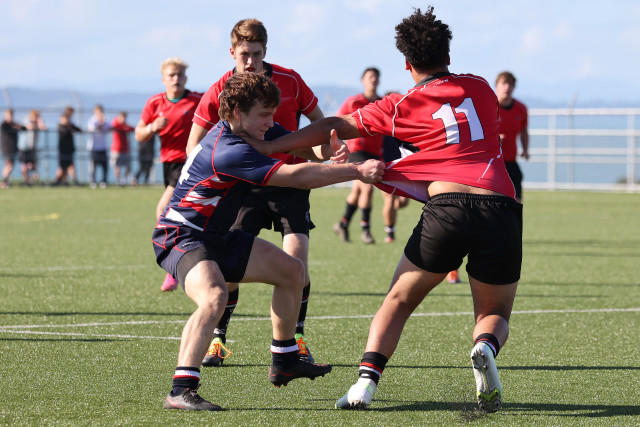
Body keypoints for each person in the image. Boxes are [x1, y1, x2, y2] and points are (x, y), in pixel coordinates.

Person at [249, 6, 522, 413]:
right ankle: (484, 347)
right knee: (494, 312)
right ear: (448, 55)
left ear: (406, 63)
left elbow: (332, 126)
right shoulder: (481, 87)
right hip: (500, 205)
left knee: (398, 301)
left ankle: (364, 383)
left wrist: (272, 145)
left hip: (447, 207)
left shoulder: (399, 104)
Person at [154, 72, 384, 411]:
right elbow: (295, 175)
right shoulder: (227, 149)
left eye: (273, 114)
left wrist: (328, 152)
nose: (271, 122)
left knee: (292, 272)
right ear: (237, 112)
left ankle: (285, 359)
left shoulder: (253, 130)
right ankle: (181, 389)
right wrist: (355, 170)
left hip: (217, 236)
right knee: (214, 295)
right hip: (181, 235)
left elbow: (299, 147)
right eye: (264, 115)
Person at [186, 18, 325, 367]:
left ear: (266, 52)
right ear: (232, 52)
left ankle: (295, 341)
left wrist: (326, 152)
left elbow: (319, 124)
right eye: (244, 54)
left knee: (297, 263)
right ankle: (218, 339)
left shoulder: (291, 81)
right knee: (227, 269)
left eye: (257, 54)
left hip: (289, 181)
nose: (250, 61)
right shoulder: (222, 88)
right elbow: (194, 144)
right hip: (244, 187)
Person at [135, 57, 202, 291]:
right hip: (168, 164)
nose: (176, 79)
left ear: (186, 78)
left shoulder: (197, 100)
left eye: (180, 75)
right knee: (183, 214)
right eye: (171, 75)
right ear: (163, 79)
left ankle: (171, 266)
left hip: (190, 162)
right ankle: (186, 260)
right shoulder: (155, 102)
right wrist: (152, 127)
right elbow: (139, 134)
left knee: (163, 209)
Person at [332, 67, 384, 245]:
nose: (373, 79)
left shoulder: (382, 102)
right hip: (357, 150)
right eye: (370, 77)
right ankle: (366, 230)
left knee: (357, 191)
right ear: (363, 80)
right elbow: (337, 121)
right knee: (367, 188)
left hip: (375, 151)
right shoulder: (353, 101)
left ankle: (343, 224)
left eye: (376, 77)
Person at [495, 71, 529, 203]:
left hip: (511, 161)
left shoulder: (521, 108)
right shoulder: (489, 106)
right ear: (497, 86)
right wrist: (495, 138)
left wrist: (525, 149)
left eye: (510, 84)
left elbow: (524, 131)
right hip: (493, 163)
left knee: (516, 202)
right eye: (504, 83)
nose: (507, 87)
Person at [380, 134, 410, 243]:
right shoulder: (383, 131)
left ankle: (391, 213)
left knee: (404, 201)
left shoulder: (401, 129)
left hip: (402, 166)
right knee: (389, 200)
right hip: (387, 166)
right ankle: (390, 233)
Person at [54, 106, 82, 186]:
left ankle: (67, 181)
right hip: (63, 149)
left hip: (70, 149)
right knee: (63, 167)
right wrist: (69, 127)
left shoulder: (70, 125)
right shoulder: (60, 126)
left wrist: (71, 126)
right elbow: (65, 132)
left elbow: (78, 130)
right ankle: (58, 181)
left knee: (69, 166)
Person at [19, 109, 47, 186]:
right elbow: (30, 127)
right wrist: (38, 122)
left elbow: (43, 127)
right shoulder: (27, 120)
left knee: (34, 165)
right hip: (24, 147)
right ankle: (26, 180)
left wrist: (40, 121)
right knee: (24, 164)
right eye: (36, 116)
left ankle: (30, 179)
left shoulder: (37, 122)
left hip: (32, 147)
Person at [87, 105, 110, 189]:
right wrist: (100, 124)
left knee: (105, 166)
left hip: (103, 147)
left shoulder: (106, 120)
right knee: (93, 166)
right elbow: (91, 128)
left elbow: (108, 128)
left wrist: (102, 122)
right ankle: (92, 182)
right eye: (98, 111)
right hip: (94, 147)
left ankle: (104, 181)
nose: (100, 113)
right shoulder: (92, 120)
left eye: (101, 111)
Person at [1, 108, 26, 188]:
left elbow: (24, 128)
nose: (10, 117)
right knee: (9, 165)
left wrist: (17, 127)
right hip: (6, 149)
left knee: (10, 165)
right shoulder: (4, 124)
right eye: (8, 115)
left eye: (11, 115)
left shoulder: (14, 124)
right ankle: (4, 182)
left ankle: (5, 182)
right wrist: (15, 128)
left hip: (14, 149)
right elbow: (9, 129)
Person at [111, 111, 135, 186]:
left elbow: (131, 128)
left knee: (128, 166)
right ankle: (119, 181)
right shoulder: (115, 123)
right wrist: (125, 128)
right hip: (116, 150)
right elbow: (117, 127)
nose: (123, 119)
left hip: (125, 149)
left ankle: (124, 180)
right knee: (117, 166)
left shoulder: (125, 125)